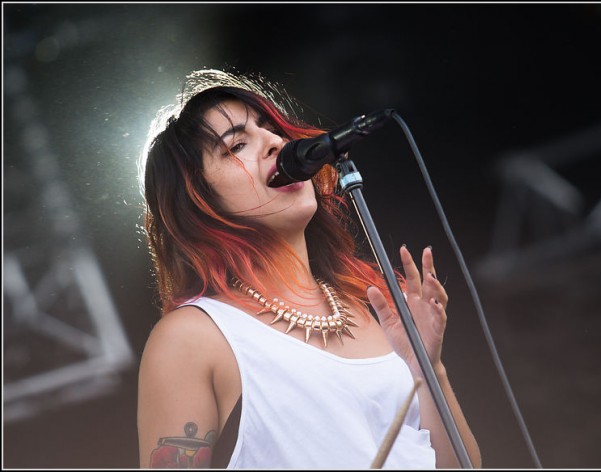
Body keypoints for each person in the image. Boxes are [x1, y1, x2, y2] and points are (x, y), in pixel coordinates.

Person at [136, 68, 481, 469]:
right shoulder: (195, 337)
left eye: (271, 129)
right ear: (198, 201)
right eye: (236, 146)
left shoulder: (373, 307)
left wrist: (428, 366)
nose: (274, 144)